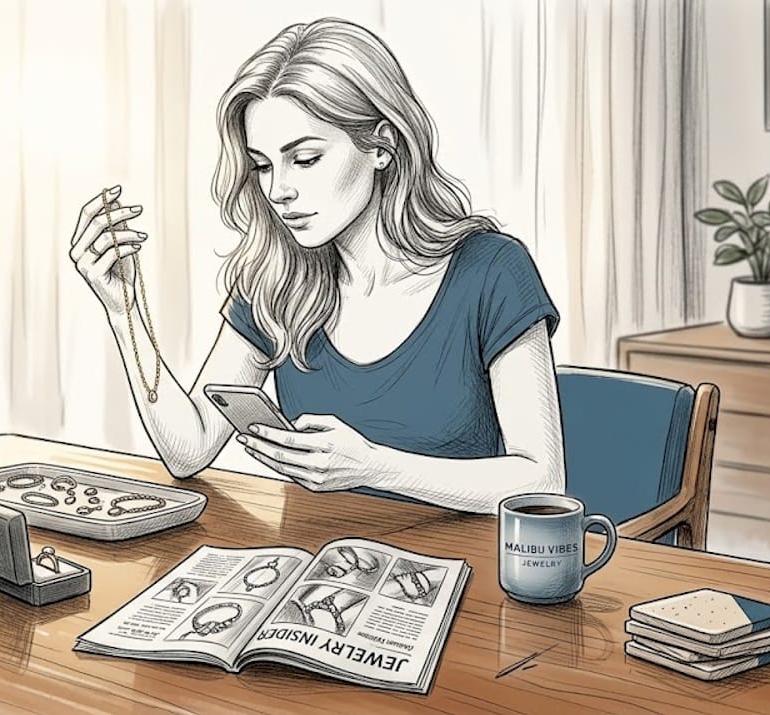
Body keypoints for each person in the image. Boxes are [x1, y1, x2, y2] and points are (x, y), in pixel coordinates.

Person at [68, 18, 564, 514]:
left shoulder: (491, 270)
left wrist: (375, 467)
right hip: (312, 557)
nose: (278, 190)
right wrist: (125, 311)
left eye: (304, 159)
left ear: (382, 146)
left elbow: (541, 479)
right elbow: (189, 449)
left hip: (451, 560)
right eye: (263, 165)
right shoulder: (276, 278)